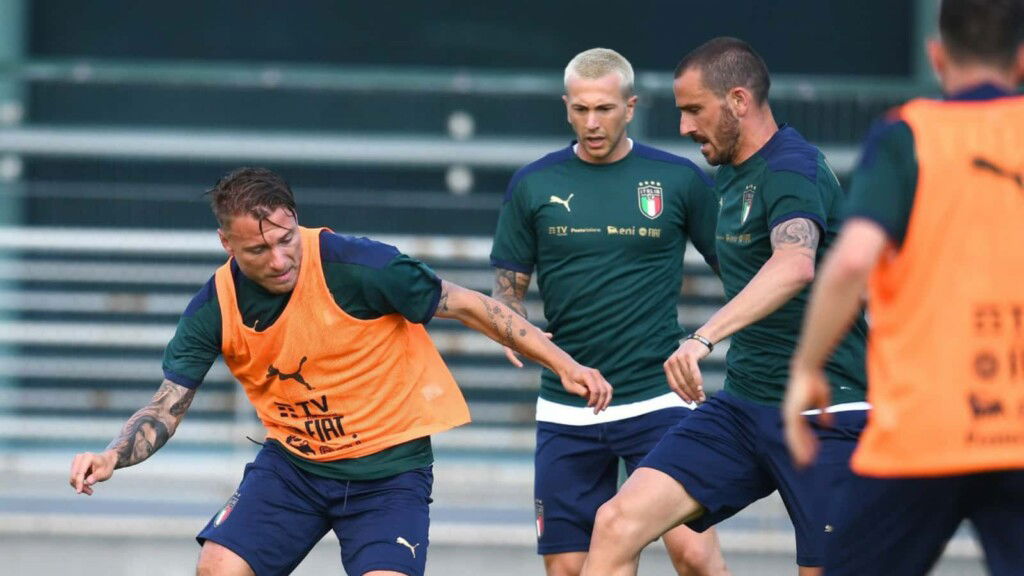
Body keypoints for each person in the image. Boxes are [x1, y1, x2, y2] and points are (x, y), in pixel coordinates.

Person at [68, 167, 613, 576]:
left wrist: (563, 363)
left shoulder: (357, 265)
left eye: (286, 239)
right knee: (218, 568)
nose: (280, 259)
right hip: (294, 470)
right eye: (259, 249)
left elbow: (467, 303)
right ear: (226, 243)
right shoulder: (214, 305)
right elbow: (166, 405)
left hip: (390, 473)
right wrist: (112, 455)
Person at [580, 38, 870, 576]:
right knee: (616, 521)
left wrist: (700, 338)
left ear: (738, 100)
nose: (685, 127)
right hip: (743, 407)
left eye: (694, 110)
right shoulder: (731, 172)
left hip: (826, 411)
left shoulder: (791, 167)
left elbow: (794, 262)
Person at [783, 0, 1024, 573]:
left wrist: (805, 370)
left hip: (921, 428)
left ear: (936, 55)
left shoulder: (906, 135)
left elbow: (849, 264)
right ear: (1021, 58)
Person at [490, 47, 728, 576]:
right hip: (568, 403)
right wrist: (512, 326)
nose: (591, 122)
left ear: (630, 106)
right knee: (571, 569)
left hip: (660, 397)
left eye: (603, 109)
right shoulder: (534, 183)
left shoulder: (678, 179)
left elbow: (737, 271)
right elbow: (508, 287)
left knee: (694, 555)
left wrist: (709, 340)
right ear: (566, 107)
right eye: (580, 109)